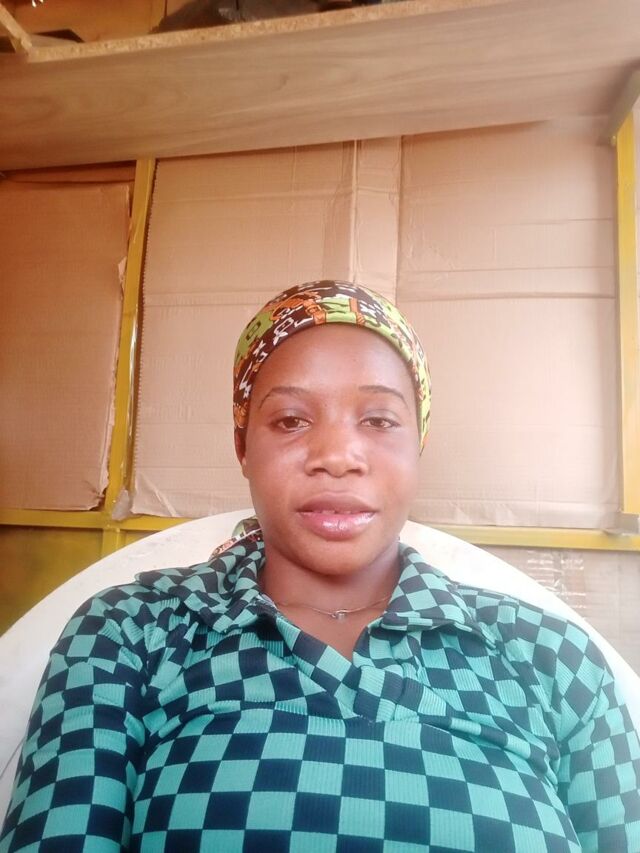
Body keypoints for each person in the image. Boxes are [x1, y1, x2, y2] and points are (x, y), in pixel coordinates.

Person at [1, 280, 639, 852]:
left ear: (418, 443)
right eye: (290, 420)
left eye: (379, 419)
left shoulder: (551, 657)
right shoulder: (129, 632)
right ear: (242, 445)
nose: (337, 455)